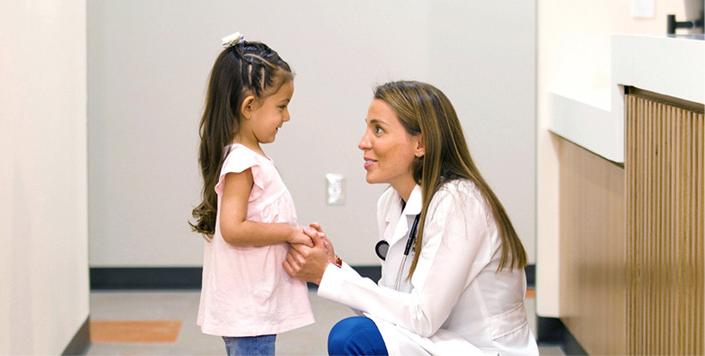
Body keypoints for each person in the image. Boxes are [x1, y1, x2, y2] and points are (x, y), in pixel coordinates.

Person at [284, 81, 539, 355]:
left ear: (421, 143)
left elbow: (423, 317)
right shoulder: (391, 202)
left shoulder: (460, 203)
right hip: (438, 342)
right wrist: (333, 266)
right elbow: (392, 310)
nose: (363, 142)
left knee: (352, 336)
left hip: (483, 349)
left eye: (378, 129)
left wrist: (327, 276)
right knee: (360, 334)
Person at [190, 32, 315, 356]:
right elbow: (233, 228)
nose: (287, 117)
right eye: (282, 107)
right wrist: (288, 232)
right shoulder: (242, 163)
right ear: (249, 106)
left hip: (254, 306)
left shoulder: (248, 158)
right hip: (249, 311)